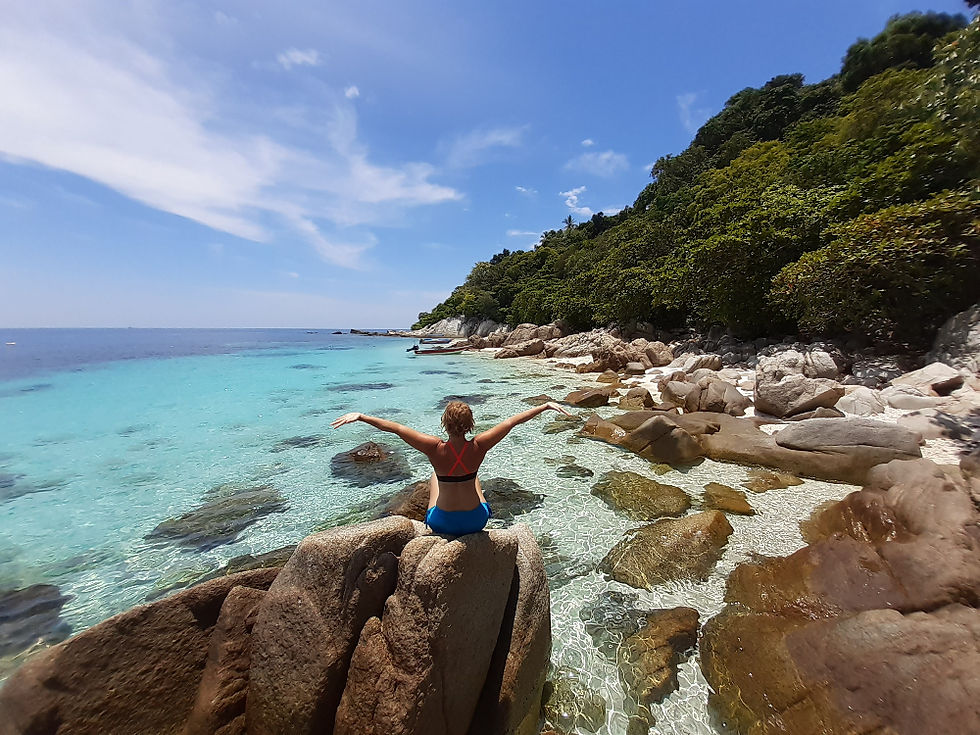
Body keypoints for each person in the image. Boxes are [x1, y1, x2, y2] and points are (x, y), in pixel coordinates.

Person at [330, 399, 572, 536]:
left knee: (436, 477)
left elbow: (395, 428)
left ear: (445, 423)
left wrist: (361, 416)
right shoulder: (480, 445)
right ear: (470, 425)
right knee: (474, 479)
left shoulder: (434, 448)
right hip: (477, 521)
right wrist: (544, 406)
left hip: (441, 523)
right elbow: (512, 422)